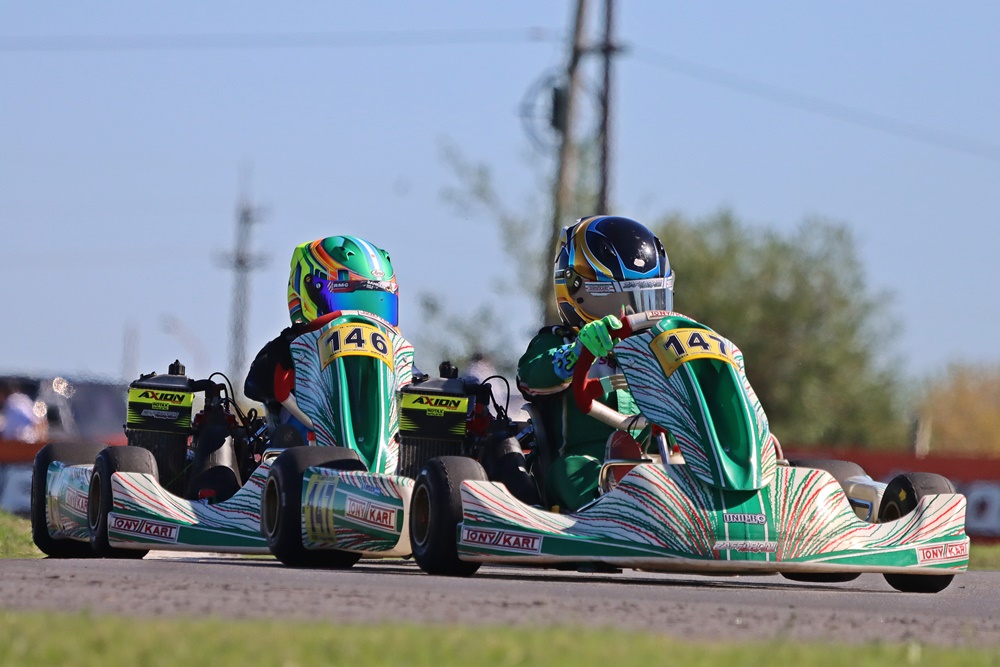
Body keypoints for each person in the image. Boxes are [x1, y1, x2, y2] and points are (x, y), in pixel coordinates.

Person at [517, 215, 674, 512]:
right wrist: (578, 351)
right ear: (575, 292)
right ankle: (615, 507)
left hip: (649, 458)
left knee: (683, 461)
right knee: (574, 470)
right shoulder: (558, 341)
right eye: (617, 302)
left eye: (647, 299)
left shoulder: (655, 348)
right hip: (579, 462)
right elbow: (531, 376)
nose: (631, 313)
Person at [244, 236, 400, 432]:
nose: (363, 319)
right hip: (298, 450)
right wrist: (288, 358)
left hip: (386, 453)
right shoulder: (290, 348)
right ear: (306, 293)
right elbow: (254, 384)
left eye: (376, 305)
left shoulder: (395, 356)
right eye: (349, 305)